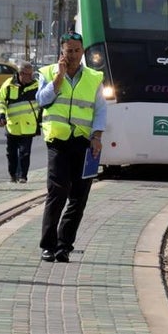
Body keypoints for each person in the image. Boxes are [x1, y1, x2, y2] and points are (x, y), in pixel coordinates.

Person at [36, 32, 107, 263]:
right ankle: (48, 245)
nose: (74, 55)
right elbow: (42, 100)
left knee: (79, 196)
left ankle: (64, 245)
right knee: (57, 191)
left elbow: (100, 110)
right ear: (62, 53)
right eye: (69, 51)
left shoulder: (94, 77)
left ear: (83, 51)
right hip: (57, 141)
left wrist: (97, 135)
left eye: (77, 50)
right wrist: (59, 78)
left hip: (83, 143)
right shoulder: (47, 73)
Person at [0, 62, 40, 183]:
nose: (31, 77)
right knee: (11, 154)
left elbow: (42, 103)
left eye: (32, 74)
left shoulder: (36, 85)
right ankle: (13, 174)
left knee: (25, 153)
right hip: (12, 126)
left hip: (28, 126)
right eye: (28, 74)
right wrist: (0, 115)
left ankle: (22, 176)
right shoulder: (9, 85)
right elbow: (0, 101)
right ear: (20, 73)